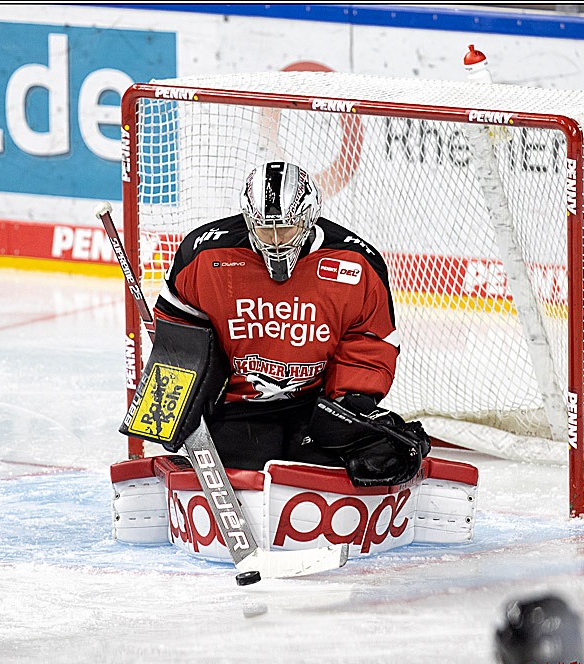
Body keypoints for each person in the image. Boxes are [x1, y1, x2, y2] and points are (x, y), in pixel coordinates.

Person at [125, 161, 429, 487]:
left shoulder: (355, 262)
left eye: (286, 228)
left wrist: (353, 402)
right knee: (243, 469)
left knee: (377, 455)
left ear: (309, 218)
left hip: (316, 408)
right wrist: (175, 396)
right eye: (263, 228)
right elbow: (180, 329)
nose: (275, 240)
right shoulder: (205, 255)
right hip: (235, 408)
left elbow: (368, 340)